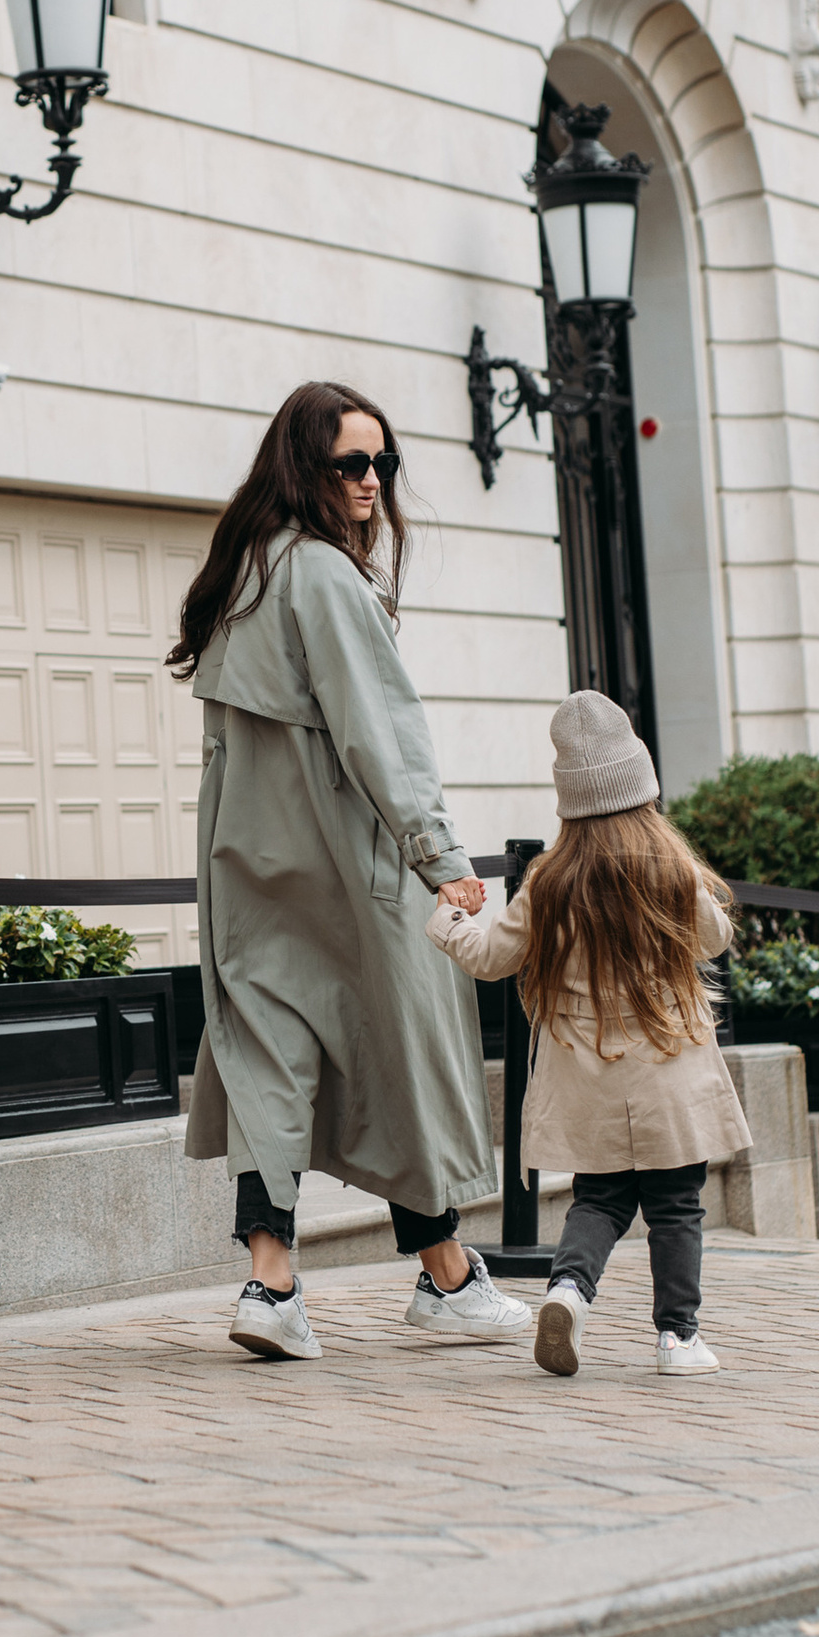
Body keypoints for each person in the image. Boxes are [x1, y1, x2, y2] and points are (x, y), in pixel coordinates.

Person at [173, 381, 521, 1360]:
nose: (370, 483)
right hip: (343, 860)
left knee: (268, 1064)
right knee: (399, 1053)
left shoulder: (241, 573)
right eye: (349, 465)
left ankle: (272, 1285)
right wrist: (441, 857)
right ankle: (446, 1276)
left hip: (250, 865)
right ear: (306, 470)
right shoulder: (322, 577)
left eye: (382, 463)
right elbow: (381, 736)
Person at [426, 690, 745, 1378]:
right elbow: (713, 939)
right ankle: (677, 1338)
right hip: (669, 1075)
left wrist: (448, 920)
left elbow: (491, 962)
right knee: (676, 1206)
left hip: (588, 1077)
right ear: (640, 787)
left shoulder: (549, 881)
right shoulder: (667, 868)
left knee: (598, 1198)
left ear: (569, 798)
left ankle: (569, 1289)